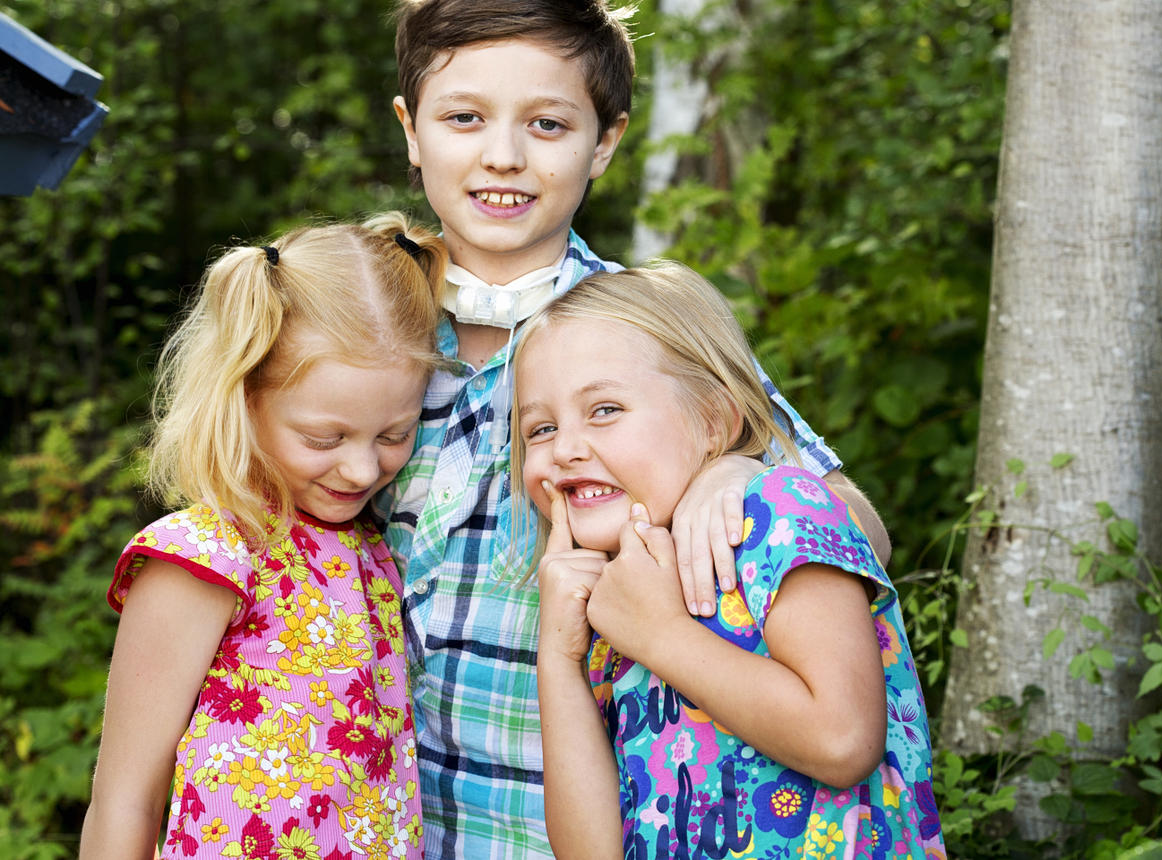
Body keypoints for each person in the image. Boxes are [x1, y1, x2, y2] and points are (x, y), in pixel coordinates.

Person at [378, 0, 891, 854]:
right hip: (381, 820)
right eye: (464, 118)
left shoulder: (637, 330)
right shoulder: (368, 326)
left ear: (604, 142)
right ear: (412, 130)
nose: (503, 155)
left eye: (547, 124)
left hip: (579, 826)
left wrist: (738, 474)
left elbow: (857, 528)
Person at [516, 263, 945, 859]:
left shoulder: (778, 510)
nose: (564, 449)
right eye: (539, 428)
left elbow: (844, 741)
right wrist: (559, 657)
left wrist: (660, 634)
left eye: (606, 410)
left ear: (714, 420)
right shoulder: (613, 593)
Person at [79, 214, 446, 860]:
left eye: (393, 435)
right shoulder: (206, 558)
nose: (363, 469)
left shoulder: (375, 550)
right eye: (324, 439)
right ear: (244, 396)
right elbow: (123, 800)